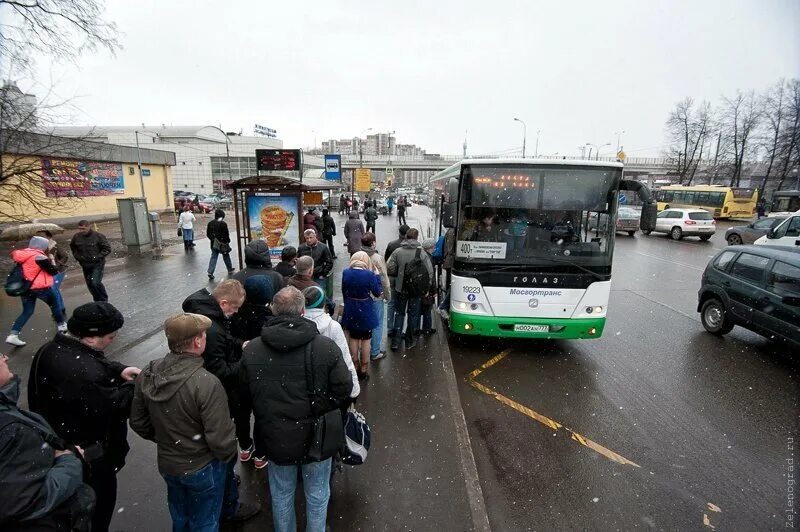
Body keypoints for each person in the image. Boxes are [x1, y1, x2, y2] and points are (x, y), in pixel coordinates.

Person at [238, 286, 352, 532]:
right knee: (317, 493)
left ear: (274, 310)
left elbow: (243, 396)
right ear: (303, 311)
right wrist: (319, 407)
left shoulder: (253, 350)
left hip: (274, 435)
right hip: (316, 436)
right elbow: (344, 388)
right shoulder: (325, 347)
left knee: (281, 494)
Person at [28, 302, 138, 532]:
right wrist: (135, 387)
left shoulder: (51, 349)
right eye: (109, 337)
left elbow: (92, 360)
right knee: (97, 512)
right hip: (90, 459)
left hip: (58, 446)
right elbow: (114, 405)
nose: (113, 340)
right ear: (89, 337)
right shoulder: (83, 375)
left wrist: (116, 369)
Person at [130, 313, 239, 531]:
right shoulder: (206, 383)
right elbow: (220, 438)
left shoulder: (149, 372)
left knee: (181, 518)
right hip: (202, 466)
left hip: (169, 464)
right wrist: (226, 456)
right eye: (204, 335)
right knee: (205, 521)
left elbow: (138, 422)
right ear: (198, 341)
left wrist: (168, 439)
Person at [182, 280, 260, 523]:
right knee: (222, 446)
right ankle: (227, 503)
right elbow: (220, 370)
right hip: (220, 396)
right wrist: (245, 361)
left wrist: (239, 344)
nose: (235, 313)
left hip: (206, 397)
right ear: (223, 303)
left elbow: (223, 343)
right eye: (234, 309)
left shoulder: (207, 317)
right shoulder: (212, 328)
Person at [1, 351, 93, 531]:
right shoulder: (10, 430)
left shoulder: (7, 413)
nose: (5, 358)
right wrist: (68, 460)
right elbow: (29, 500)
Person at [5, 236, 67, 347]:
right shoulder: (39, 257)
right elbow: (53, 271)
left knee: (27, 311)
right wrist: (52, 259)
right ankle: (62, 328)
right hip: (40, 288)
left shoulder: (24, 255)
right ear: (42, 246)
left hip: (26, 288)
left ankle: (13, 335)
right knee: (55, 305)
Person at [302, 286, 359, 400]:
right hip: (327, 383)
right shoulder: (333, 327)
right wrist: (354, 390)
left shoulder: (297, 324)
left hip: (303, 386)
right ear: (324, 304)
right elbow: (344, 357)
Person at [386, 228, 433, 351]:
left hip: (400, 288)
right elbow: (429, 272)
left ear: (406, 237)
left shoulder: (397, 251)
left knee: (399, 314)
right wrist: (426, 288)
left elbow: (389, 268)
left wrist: (400, 273)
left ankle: (395, 342)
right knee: (413, 315)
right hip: (415, 290)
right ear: (417, 238)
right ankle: (409, 341)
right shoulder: (421, 253)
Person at [341, 251, 382, 380]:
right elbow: (377, 293)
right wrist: (377, 277)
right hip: (365, 309)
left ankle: (356, 364)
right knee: (366, 340)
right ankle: (364, 369)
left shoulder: (346, 272)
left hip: (351, 308)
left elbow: (344, 291)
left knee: (353, 337)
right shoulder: (369, 275)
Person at [361, 233, 391, 361]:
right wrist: (387, 294)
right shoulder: (377, 258)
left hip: (362, 295)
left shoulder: (359, 255)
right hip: (376, 295)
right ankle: (375, 351)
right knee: (377, 323)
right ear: (373, 243)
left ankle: (364, 350)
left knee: (365, 323)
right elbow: (383, 278)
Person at [70, 220, 111, 302]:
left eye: (83, 229)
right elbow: (73, 248)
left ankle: (103, 300)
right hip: (85, 264)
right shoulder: (76, 237)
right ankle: (97, 300)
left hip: (97, 264)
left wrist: (97, 257)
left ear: (89, 227)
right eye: (80, 229)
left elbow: (107, 249)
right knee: (90, 285)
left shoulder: (98, 236)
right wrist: (78, 257)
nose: (81, 231)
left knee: (95, 282)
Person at [383, 224, 409, 335]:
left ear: (399, 232)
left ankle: (389, 328)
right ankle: (400, 329)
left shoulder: (392, 244)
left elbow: (386, 260)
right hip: (403, 278)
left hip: (392, 276)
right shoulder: (408, 247)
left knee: (391, 303)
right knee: (402, 304)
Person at [38, 229, 69, 318]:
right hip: (48, 271)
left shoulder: (55, 246)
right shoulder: (40, 248)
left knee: (53, 288)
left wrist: (57, 265)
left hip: (58, 271)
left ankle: (59, 310)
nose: (41, 238)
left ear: (49, 237)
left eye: (43, 236)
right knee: (54, 289)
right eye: (39, 236)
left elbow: (65, 256)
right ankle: (61, 308)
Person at [298, 229, 334, 297]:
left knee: (321, 293)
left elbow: (329, 262)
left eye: (311, 237)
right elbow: (299, 261)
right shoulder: (301, 248)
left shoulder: (323, 247)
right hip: (306, 276)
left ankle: (327, 305)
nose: (309, 240)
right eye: (307, 238)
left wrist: (323, 273)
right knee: (307, 294)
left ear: (315, 236)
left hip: (319, 275)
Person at [207, 209, 235, 280]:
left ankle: (210, 272)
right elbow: (226, 234)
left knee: (214, 257)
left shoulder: (210, 223)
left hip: (214, 244)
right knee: (226, 255)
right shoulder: (223, 224)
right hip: (223, 243)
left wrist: (213, 239)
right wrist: (227, 241)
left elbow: (208, 234)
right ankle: (229, 269)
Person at [418, 239, 438, 335]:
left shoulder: (420, 255)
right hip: (427, 288)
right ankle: (427, 329)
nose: (434, 249)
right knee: (427, 309)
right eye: (434, 247)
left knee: (420, 309)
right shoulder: (429, 258)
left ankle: (417, 329)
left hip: (420, 286)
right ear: (430, 248)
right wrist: (434, 290)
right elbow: (431, 276)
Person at [439, 227, 456, 321]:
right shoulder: (452, 231)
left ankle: (444, 306)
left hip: (452, 262)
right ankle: (443, 306)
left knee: (452, 286)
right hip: (452, 263)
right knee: (453, 286)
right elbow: (450, 249)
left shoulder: (452, 230)